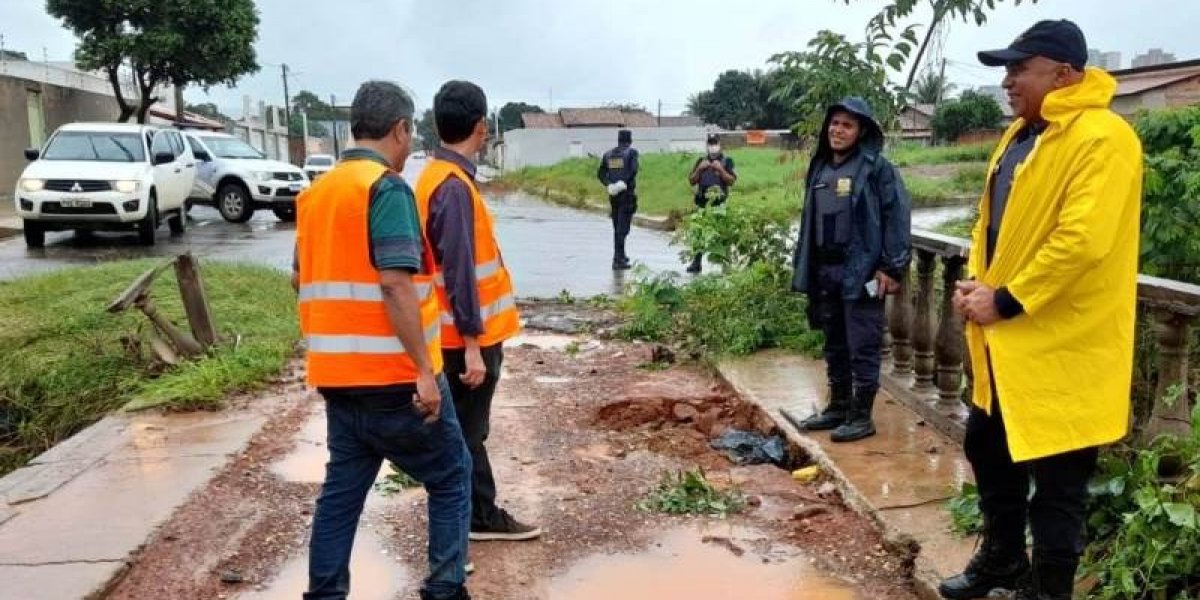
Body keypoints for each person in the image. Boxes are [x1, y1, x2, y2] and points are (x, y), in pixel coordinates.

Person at [940, 20, 1142, 600]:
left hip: (1063, 340)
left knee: (1059, 482)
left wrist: (1004, 299)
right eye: (1006, 70)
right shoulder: (1022, 136)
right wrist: (976, 282)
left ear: (1064, 73)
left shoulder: (1103, 137)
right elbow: (995, 225)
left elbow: (1081, 241)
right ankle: (1002, 560)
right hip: (1007, 339)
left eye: (1017, 68)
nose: (1007, 81)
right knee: (987, 445)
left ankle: (1049, 589)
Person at [295, 80, 473, 600]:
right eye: (409, 132)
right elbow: (395, 281)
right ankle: (445, 589)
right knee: (451, 475)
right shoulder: (385, 188)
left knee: (341, 494)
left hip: (338, 380)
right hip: (393, 379)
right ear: (399, 129)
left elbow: (299, 278)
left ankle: (325, 594)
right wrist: (424, 370)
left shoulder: (317, 193)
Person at [415, 80, 541, 543]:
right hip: (465, 338)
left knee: (463, 432)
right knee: (466, 433)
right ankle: (474, 520)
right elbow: (459, 272)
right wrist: (471, 345)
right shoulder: (452, 188)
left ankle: (473, 514)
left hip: (447, 334)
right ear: (482, 127)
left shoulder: (435, 177)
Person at [790, 97, 912, 443]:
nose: (837, 130)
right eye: (834, 123)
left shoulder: (877, 169)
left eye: (847, 125)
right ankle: (838, 406)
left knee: (863, 344)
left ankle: (862, 416)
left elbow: (897, 217)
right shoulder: (820, 168)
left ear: (861, 132)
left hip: (862, 271)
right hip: (824, 271)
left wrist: (892, 267)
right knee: (834, 342)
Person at [685, 133, 737, 273]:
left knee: (722, 234)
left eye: (715, 143)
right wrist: (700, 169)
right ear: (707, 145)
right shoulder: (701, 161)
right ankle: (696, 263)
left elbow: (731, 181)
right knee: (699, 234)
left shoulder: (727, 161)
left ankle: (726, 265)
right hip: (702, 204)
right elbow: (691, 180)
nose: (713, 146)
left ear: (720, 145)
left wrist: (720, 169)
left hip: (719, 204)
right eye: (710, 144)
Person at [596, 129, 639, 270]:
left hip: (613, 195)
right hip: (626, 195)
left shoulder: (608, 154)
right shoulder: (632, 153)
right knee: (623, 229)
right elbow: (633, 170)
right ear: (630, 140)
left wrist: (609, 184)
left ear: (619, 140)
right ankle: (618, 259)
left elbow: (601, 173)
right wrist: (623, 183)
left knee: (617, 227)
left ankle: (620, 254)